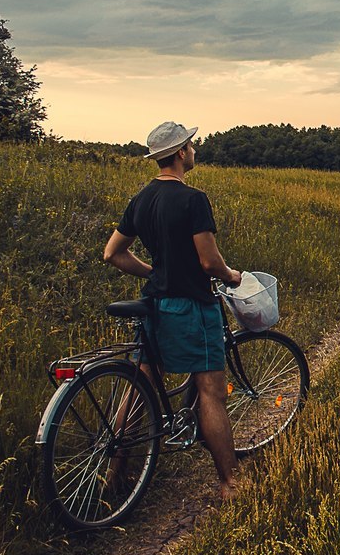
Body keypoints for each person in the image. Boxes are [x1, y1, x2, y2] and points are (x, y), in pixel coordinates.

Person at [102, 120, 245, 500]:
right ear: (181, 153)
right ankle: (231, 483)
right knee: (212, 391)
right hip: (191, 307)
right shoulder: (192, 199)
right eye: (192, 146)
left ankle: (113, 473)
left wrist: (153, 271)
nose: (194, 151)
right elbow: (209, 263)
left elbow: (112, 253)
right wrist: (231, 276)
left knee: (142, 386)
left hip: (154, 306)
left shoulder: (142, 199)